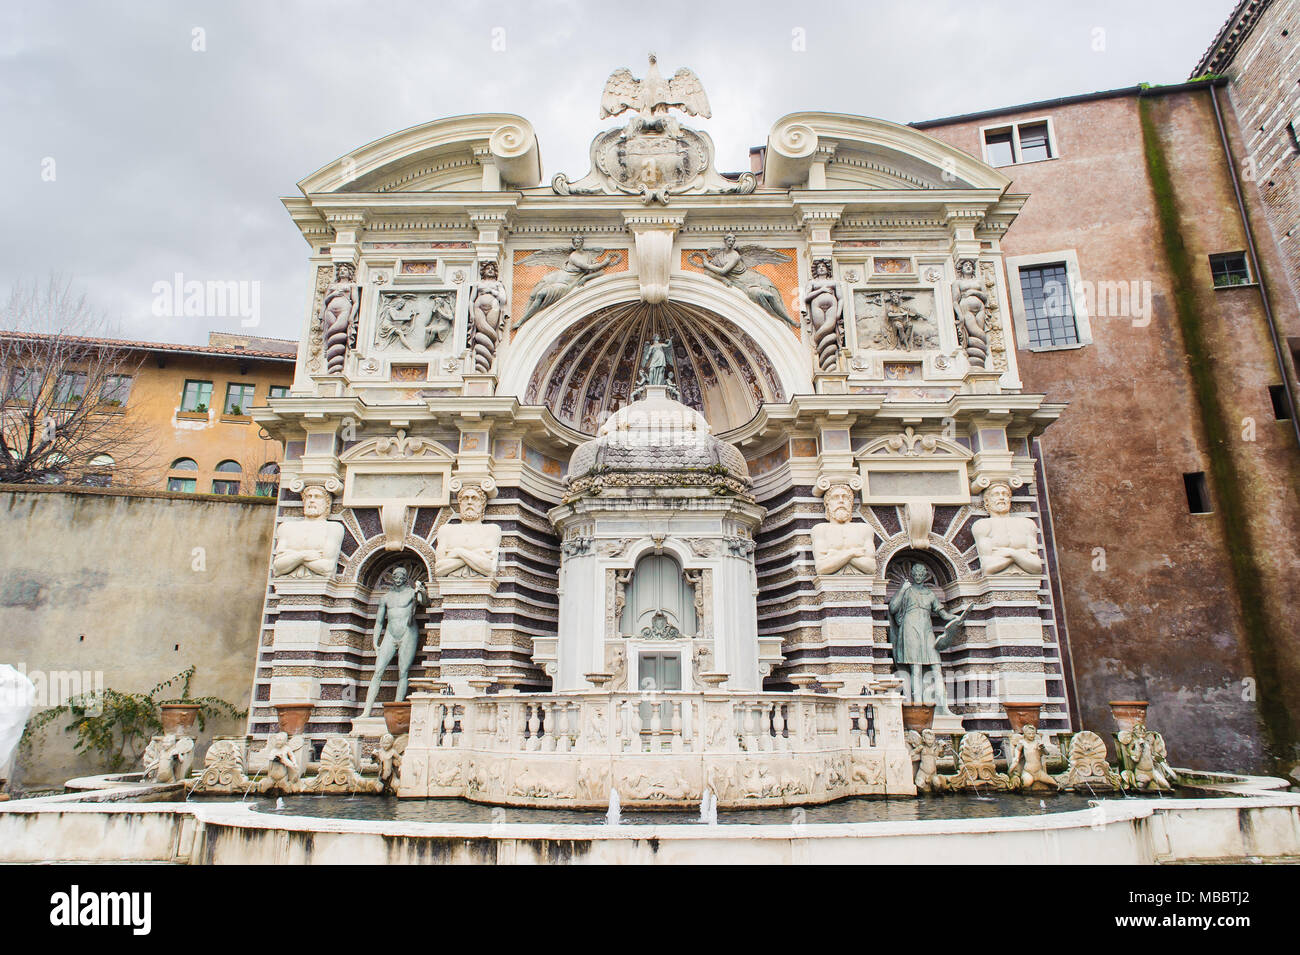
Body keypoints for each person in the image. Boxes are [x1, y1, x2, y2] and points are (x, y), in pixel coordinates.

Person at [360, 566, 429, 718]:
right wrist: (375, 641)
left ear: (405, 578)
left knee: (403, 672)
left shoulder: (412, 593)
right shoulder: (386, 597)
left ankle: (395, 710)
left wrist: (421, 591)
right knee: (377, 671)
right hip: (390, 634)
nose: (398, 580)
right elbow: (379, 622)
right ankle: (366, 711)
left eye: (401, 577)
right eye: (395, 577)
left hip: (408, 632)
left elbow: (424, 602)